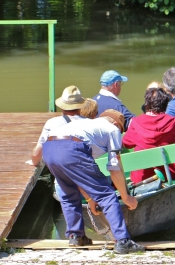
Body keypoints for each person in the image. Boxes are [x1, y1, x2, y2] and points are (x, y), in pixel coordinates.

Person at [42, 109, 145, 254]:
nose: (119, 133)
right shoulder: (112, 130)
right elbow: (114, 168)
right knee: (106, 194)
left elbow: (81, 178)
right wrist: (126, 197)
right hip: (72, 148)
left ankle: (76, 236)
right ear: (116, 123)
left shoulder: (88, 125)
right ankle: (123, 241)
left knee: (68, 193)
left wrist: (90, 199)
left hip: (49, 148)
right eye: (121, 129)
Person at [123, 87, 175, 184]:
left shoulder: (135, 122)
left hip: (142, 178)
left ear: (146, 104)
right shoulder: (174, 122)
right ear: (165, 104)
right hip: (170, 174)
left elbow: (126, 143)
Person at [29, 85, 86, 167]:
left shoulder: (52, 123)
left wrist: (35, 162)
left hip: (60, 173)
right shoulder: (90, 124)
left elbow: (36, 154)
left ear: (62, 107)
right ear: (80, 107)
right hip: (85, 171)